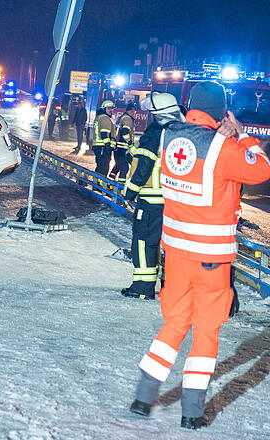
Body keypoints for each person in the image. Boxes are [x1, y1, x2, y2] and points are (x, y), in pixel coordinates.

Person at [130, 81, 270, 429]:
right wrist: (241, 136)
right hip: (211, 260)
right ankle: (192, 412)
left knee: (175, 323)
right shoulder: (223, 147)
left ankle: (142, 397)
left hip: (176, 255)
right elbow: (262, 169)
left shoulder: (169, 138)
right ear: (222, 112)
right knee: (206, 331)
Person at [121, 93, 183, 300]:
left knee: (144, 242)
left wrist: (129, 192)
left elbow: (145, 165)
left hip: (151, 199)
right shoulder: (185, 132)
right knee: (172, 246)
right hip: (177, 201)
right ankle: (171, 287)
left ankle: (143, 287)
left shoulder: (155, 132)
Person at [110, 102, 137, 182]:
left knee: (117, 166)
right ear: (131, 110)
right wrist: (129, 143)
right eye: (134, 112)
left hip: (118, 147)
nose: (134, 114)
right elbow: (125, 132)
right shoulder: (127, 119)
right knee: (124, 169)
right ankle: (120, 187)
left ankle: (109, 183)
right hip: (123, 148)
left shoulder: (123, 117)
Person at [92, 100, 115, 176]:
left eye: (112, 108)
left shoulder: (98, 117)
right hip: (103, 147)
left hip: (98, 146)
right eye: (109, 108)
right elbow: (104, 134)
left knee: (99, 167)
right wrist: (108, 145)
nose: (111, 110)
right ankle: (100, 186)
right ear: (103, 109)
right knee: (104, 169)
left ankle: (96, 186)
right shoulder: (105, 118)